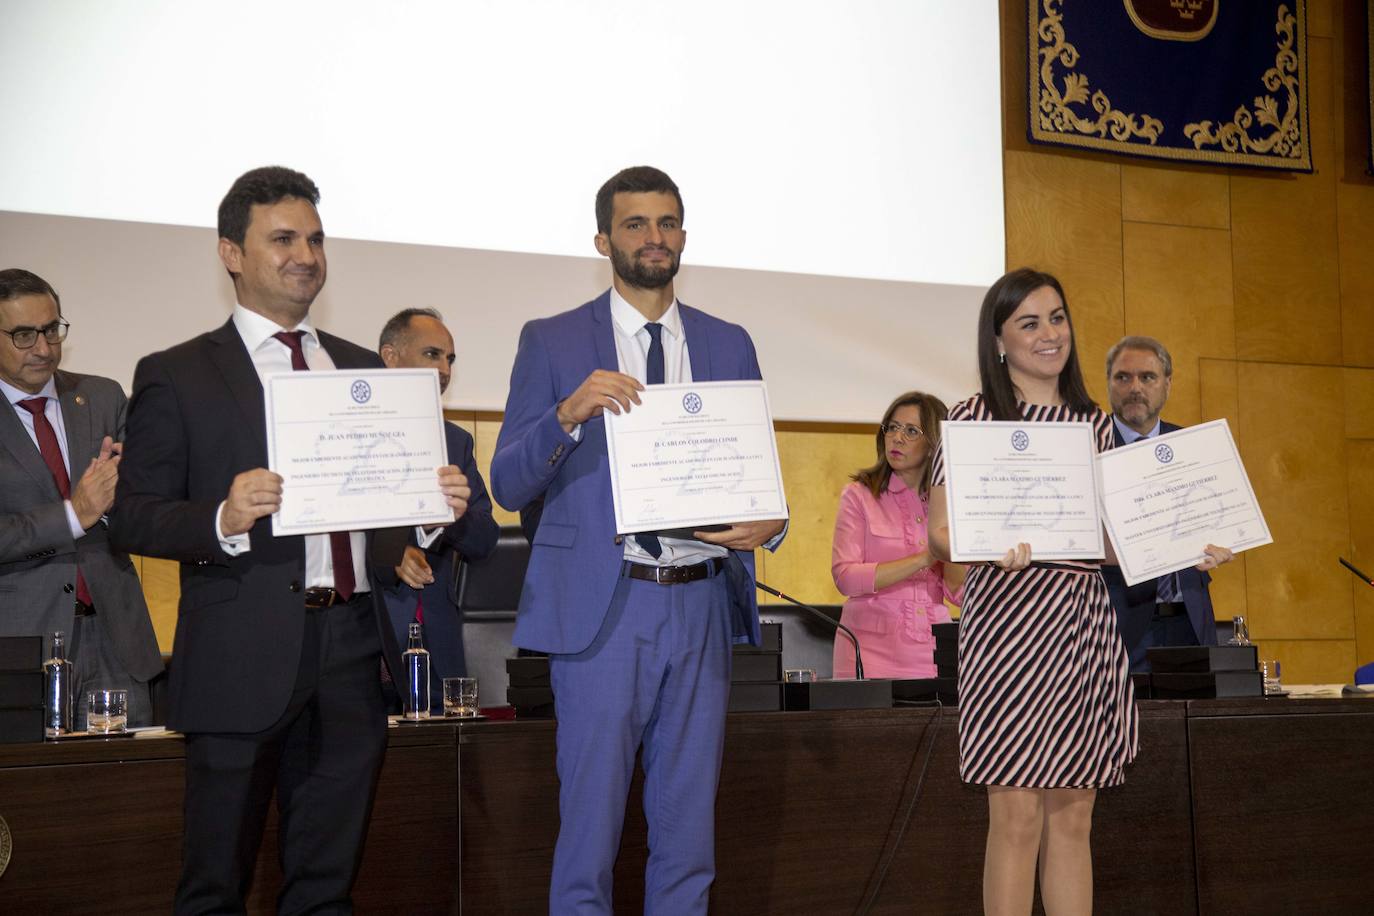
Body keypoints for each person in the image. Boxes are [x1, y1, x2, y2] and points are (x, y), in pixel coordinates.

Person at [109, 166, 470, 915]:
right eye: (282, 239)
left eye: (314, 237)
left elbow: (381, 522)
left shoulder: (367, 369)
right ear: (231, 254)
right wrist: (221, 517)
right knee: (215, 886)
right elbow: (133, 515)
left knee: (326, 888)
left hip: (351, 651)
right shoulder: (175, 374)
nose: (305, 254)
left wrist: (428, 514)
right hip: (238, 656)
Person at [490, 165, 786, 914]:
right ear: (603, 239)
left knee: (689, 840)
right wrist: (566, 414)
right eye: (635, 224)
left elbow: (761, 482)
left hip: (701, 607)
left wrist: (771, 523)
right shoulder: (553, 341)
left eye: (667, 223)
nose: (654, 238)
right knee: (588, 836)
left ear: (683, 236)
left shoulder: (730, 342)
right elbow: (506, 484)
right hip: (604, 609)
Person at [927, 267, 1233, 916]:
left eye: (1058, 318)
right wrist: (991, 545)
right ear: (999, 340)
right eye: (1029, 322)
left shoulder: (1096, 425)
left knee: (1073, 817)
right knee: (1015, 818)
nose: (1049, 334)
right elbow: (943, 529)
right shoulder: (971, 417)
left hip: (1083, 627)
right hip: (1009, 627)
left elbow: (1116, 542)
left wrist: (1193, 539)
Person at [0, 268, 162, 728]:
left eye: (52, 330)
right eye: (23, 335)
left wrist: (128, 495)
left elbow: (149, 505)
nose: (45, 348)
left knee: (128, 790)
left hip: (117, 636)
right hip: (20, 644)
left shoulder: (101, 396)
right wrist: (76, 513)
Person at [378, 307, 499, 706]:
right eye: (433, 354)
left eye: (450, 359)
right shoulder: (353, 430)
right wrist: (390, 550)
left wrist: (451, 519)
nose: (445, 369)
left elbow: (485, 538)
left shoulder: (456, 441)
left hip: (438, 640)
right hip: (368, 636)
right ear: (391, 356)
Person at [1101, 335, 1218, 672]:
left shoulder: (1194, 448)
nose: (1134, 387)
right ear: (1109, 384)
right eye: (1123, 377)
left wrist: (1225, 542)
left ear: (1167, 384)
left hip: (1191, 625)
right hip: (1118, 627)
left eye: (1147, 377)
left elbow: (1215, 522)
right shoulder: (1088, 451)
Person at [830, 390, 966, 678]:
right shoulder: (860, 495)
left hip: (932, 648)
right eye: (892, 427)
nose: (897, 437)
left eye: (911, 431)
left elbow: (958, 594)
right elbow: (846, 577)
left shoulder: (949, 502)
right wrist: (925, 558)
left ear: (934, 445)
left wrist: (955, 541)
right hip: (865, 649)